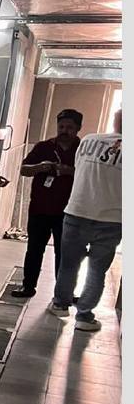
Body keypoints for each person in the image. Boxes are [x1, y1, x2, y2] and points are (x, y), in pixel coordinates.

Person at [49, 109, 122, 331]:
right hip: (112, 219)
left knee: (69, 264)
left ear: (114, 121)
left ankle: (60, 305)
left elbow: (80, 168)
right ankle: (84, 317)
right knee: (97, 270)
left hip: (77, 211)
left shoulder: (89, 140)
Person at [11, 109, 83, 298]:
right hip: (40, 209)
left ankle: (63, 293)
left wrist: (69, 171)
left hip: (69, 211)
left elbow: (91, 176)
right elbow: (24, 169)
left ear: (78, 128)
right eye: (61, 126)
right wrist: (40, 167)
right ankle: (28, 287)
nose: (64, 131)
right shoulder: (44, 147)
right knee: (34, 250)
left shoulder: (83, 149)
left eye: (69, 127)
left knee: (65, 254)